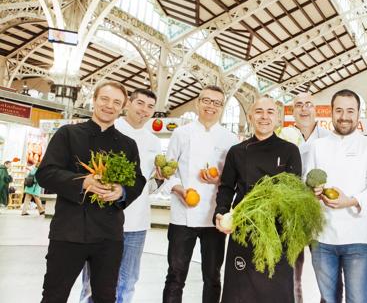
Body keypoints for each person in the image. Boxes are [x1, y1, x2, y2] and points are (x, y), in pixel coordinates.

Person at [36, 81, 146, 303]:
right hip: (69, 231)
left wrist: (121, 191)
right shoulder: (68, 134)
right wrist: (82, 182)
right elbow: (45, 173)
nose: (109, 106)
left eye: (116, 102)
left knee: (105, 296)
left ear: (123, 107)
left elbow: (138, 180)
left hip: (109, 235)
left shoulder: (128, 144)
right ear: (94, 101)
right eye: (104, 99)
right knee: (54, 295)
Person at [214, 96, 302, 303]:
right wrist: (221, 211)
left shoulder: (290, 151)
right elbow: (226, 187)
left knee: (276, 291)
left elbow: (294, 193)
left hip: (276, 232)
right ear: (251, 116)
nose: (264, 116)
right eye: (259, 111)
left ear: (278, 118)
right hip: (244, 229)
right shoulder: (237, 151)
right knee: (239, 292)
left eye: (270, 112)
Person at [80, 88, 161, 303]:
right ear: (128, 104)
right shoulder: (109, 131)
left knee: (128, 281)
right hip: (103, 220)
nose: (144, 110)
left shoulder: (154, 142)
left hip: (137, 224)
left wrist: (160, 179)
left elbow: (147, 186)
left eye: (150, 107)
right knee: (92, 284)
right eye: (140, 103)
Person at [305, 89, 367, 303]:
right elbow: (306, 182)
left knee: (357, 299)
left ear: (359, 114)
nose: (344, 116)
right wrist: (312, 192)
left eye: (350, 110)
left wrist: (348, 201)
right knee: (328, 299)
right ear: (331, 112)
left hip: (357, 238)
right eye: (339, 110)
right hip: (322, 238)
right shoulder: (317, 147)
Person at [160, 85, 238, 303]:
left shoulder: (230, 139)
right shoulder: (181, 133)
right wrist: (179, 189)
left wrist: (219, 179)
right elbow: (168, 170)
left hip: (215, 217)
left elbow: (234, 179)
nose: (211, 106)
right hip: (182, 216)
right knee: (175, 275)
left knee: (212, 276)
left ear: (222, 108)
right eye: (206, 100)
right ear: (197, 103)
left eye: (217, 103)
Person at [291, 92, 332, 303]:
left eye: (309, 105)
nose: (304, 109)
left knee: (325, 274)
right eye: (299, 105)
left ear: (316, 109)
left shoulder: (329, 139)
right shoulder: (284, 137)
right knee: (291, 272)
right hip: (292, 216)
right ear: (293, 111)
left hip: (321, 215)